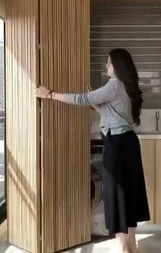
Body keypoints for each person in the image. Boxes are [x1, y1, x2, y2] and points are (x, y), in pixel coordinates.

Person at [35, 48, 150, 253]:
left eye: (109, 63)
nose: (106, 66)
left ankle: (124, 248)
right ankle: (132, 246)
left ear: (117, 66)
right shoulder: (127, 86)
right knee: (128, 196)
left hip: (117, 146)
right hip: (129, 144)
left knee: (117, 196)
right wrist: (97, 107)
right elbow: (117, 114)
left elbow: (81, 99)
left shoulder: (113, 85)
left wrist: (50, 94)